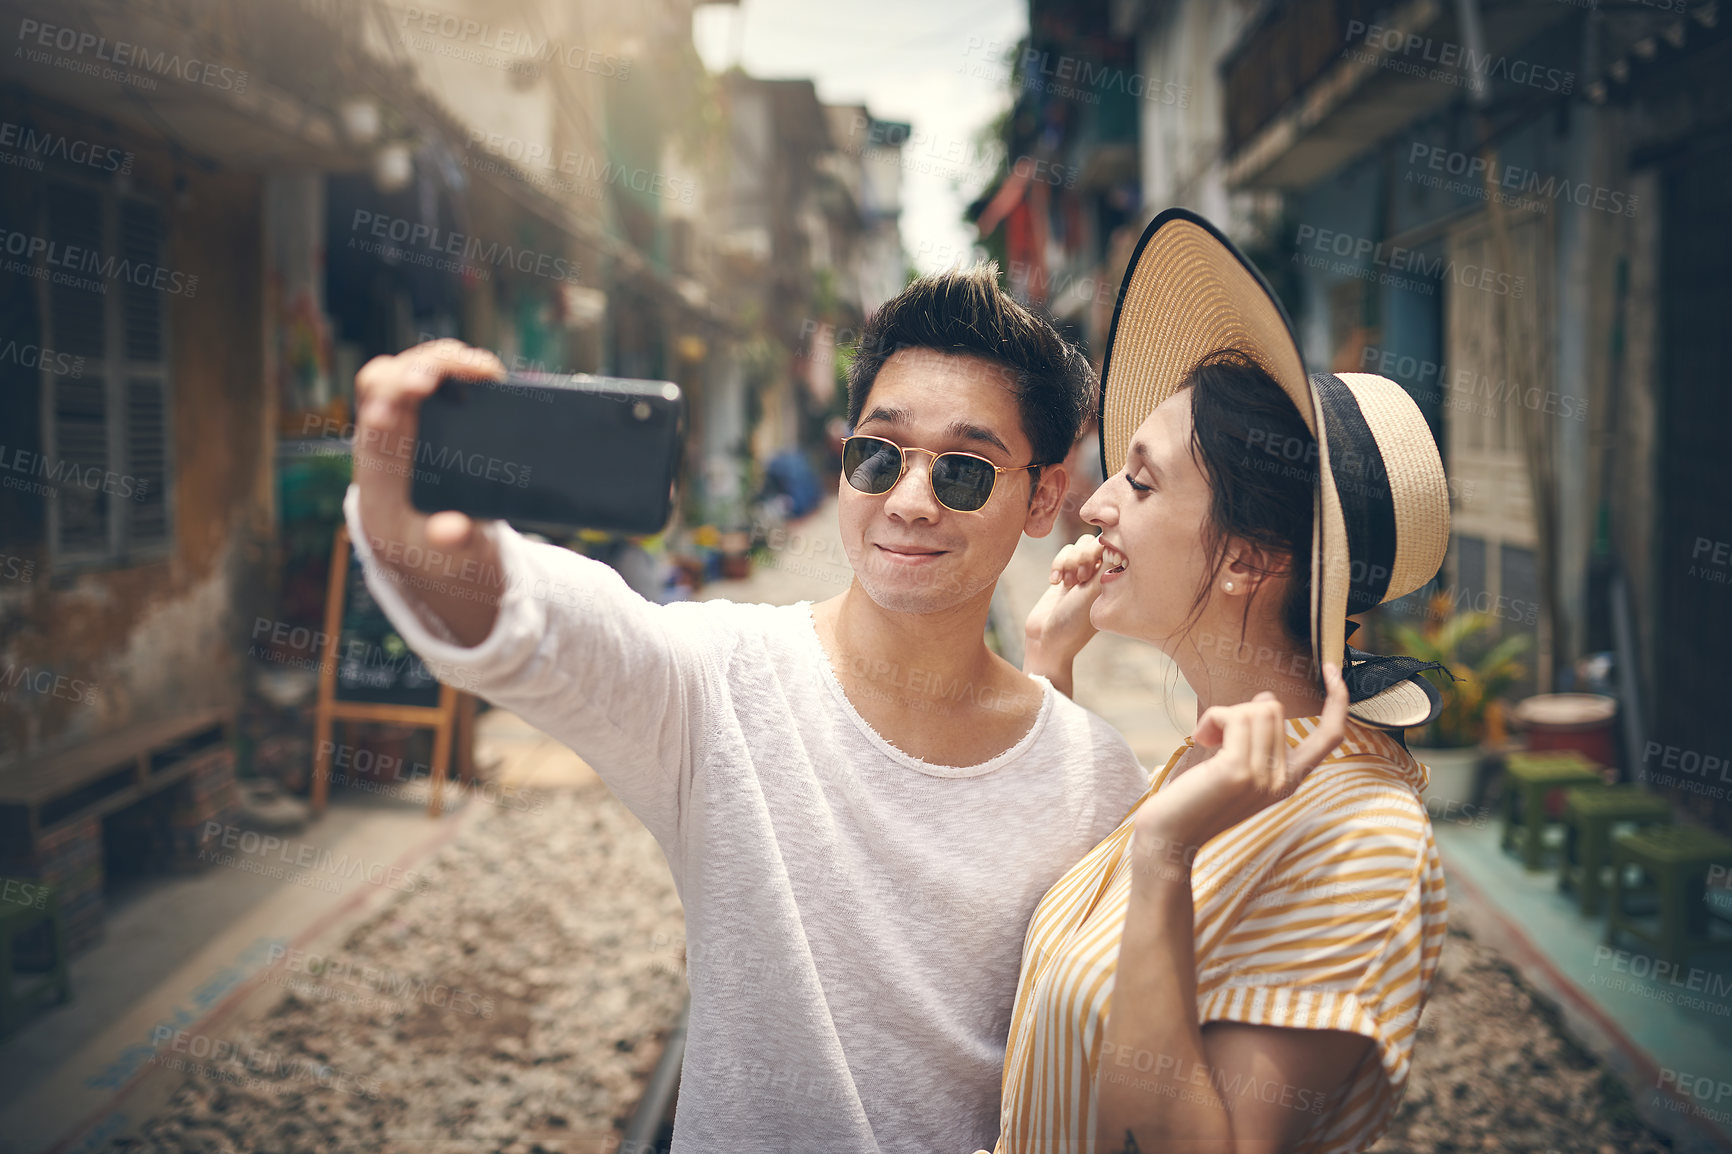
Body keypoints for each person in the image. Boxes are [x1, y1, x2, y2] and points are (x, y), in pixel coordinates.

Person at [341, 267, 1151, 1153]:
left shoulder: (1100, 778)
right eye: (878, 455)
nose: (910, 502)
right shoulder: (722, 682)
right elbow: (552, 630)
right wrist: (409, 537)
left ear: (1043, 498)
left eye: (963, 471)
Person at [999, 208, 1452, 1154]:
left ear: (1248, 559)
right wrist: (1049, 671)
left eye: (1142, 482)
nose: (1093, 505)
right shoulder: (1217, 765)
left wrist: (1164, 855)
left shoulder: (1361, 830)